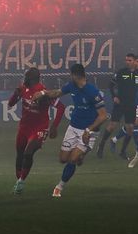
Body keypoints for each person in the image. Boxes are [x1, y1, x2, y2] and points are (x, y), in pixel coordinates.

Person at [41, 63, 107, 198]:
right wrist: (43, 93)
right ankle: (80, 156)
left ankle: (59, 187)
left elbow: (103, 115)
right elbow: (57, 93)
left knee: (72, 159)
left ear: (75, 75)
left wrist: (88, 130)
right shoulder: (71, 85)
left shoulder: (92, 92)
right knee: (62, 159)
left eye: (71, 74)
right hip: (73, 127)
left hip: (89, 131)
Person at [6, 66, 63, 194]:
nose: (24, 78)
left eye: (26, 76)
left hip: (39, 127)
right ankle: (19, 180)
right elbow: (10, 104)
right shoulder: (22, 88)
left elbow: (61, 107)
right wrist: (15, 95)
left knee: (28, 152)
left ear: (33, 79)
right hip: (24, 127)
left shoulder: (43, 92)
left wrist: (54, 126)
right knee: (20, 154)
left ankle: (21, 181)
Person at [99, 53, 138, 160]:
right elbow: (111, 84)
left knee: (130, 128)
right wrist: (114, 96)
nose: (127, 62)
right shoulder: (121, 72)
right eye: (126, 60)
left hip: (131, 104)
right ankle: (101, 146)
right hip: (120, 103)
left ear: (134, 61)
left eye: (130, 60)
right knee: (112, 125)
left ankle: (123, 151)